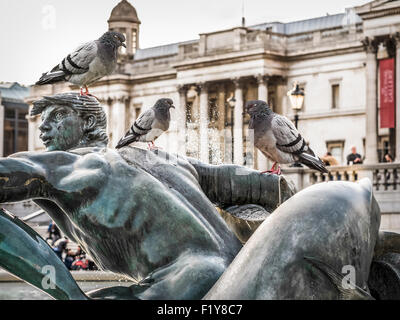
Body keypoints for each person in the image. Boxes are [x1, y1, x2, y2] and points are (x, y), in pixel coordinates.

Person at [0, 93, 293, 299]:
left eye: (57, 117)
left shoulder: (61, 166)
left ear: (88, 124)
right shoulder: (167, 159)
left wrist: (68, 293)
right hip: (240, 278)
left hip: (179, 288)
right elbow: (271, 188)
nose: (43, 127)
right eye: (43, 120)